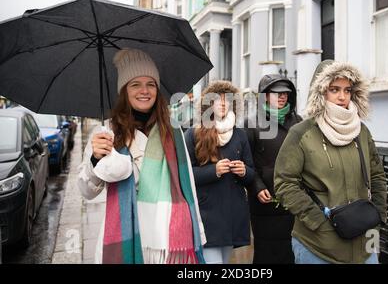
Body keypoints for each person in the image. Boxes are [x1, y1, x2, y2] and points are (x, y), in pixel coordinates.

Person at [78, 48, 206, 264]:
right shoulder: (106, 132)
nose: (144, 90)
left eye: (151, 84)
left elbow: (189, 186)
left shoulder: (173, 131)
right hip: (125, 236)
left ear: (157, 89)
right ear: (124, 90)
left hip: (168, 242)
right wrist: (95, 160)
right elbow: (87, 192)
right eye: (135, 84)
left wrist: (197, 233)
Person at [274, 61, 387, 264]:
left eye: (347, 90)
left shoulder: (362, 131)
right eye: (334, 89)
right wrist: (318, 222)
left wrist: (377, 215)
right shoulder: (301, 133)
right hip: (318, 247)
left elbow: (377, 175)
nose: (342, 97)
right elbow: (284, 183)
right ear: (321, 91)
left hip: (364, 243)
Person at [184, 81, 255, 264]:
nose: (223, 104)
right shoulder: (194, 133)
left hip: (233, 214)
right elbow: (184, 175)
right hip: (207, 215)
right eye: (218, 100)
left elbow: (251, 174)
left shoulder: (240, 135)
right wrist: (213, 171)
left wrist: (243, 171)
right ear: (209, 104)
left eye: (227, 100)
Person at [244, 74, 302, 264]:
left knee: (291, 253)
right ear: (265, 97)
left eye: (285, 93)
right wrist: (257, 187)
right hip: (264, 202)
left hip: (294, 200)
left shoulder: (298, 122)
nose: (282, 97)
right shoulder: (251, 124)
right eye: (276, 93)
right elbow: (246, 162)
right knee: (266, 255)